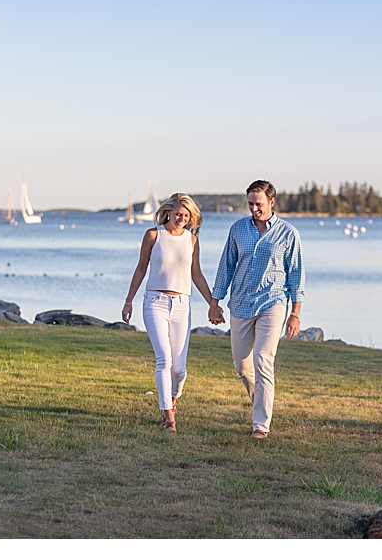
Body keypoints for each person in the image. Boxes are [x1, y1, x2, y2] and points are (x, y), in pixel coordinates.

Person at [209, 180, 304, 439]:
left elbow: (296, 274)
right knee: (242, 366)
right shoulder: (238, 229)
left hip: (273, 302)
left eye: (258, 204)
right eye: (250, 203)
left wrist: (295, 312)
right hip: (240, 303)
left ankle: (261, 425)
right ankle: (261, 400)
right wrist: (215, 302)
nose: (253, 209)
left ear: (271, 202)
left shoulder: (288, 233)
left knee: (263, 359)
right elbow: (226, 265)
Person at [123, 193, 223, 433]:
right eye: (178, 213)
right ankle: (168, 417)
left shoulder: (192, 240)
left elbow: (196, 274)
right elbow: (140, 269)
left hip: (181, 305)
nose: (181, 218)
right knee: (164, 360)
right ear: (168, 211)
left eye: (186, 215)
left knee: (179, 369)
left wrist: (212, 303)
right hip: (154, 302)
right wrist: (129, 301)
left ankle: (175, 396)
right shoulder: (153, 235)